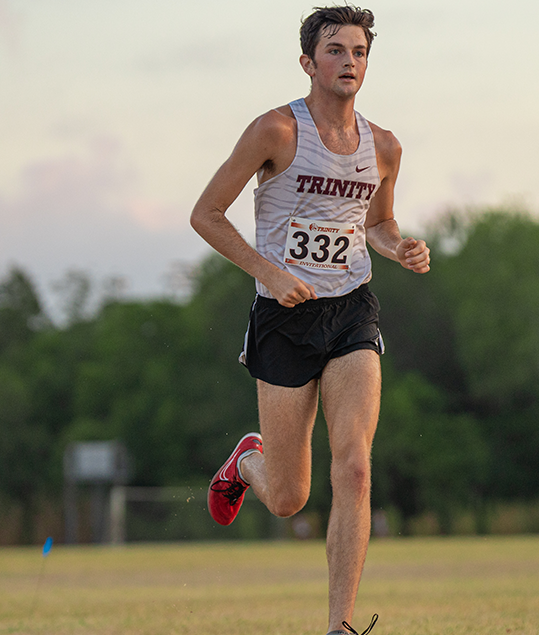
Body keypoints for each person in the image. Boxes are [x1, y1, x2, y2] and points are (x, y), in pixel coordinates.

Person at [190, 6, 429, 635]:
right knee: (291, 495)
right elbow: (207, 214)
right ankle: (247, 462)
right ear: (308, 62)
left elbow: (377, 222)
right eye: (335, 50)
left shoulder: (385, 146)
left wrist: (399, 246)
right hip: (284, 318)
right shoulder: (275, 131)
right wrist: (268, 273)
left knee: (353, 464)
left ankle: (338, 627)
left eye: (358, 52)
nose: (349, 62)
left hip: (352, 309)